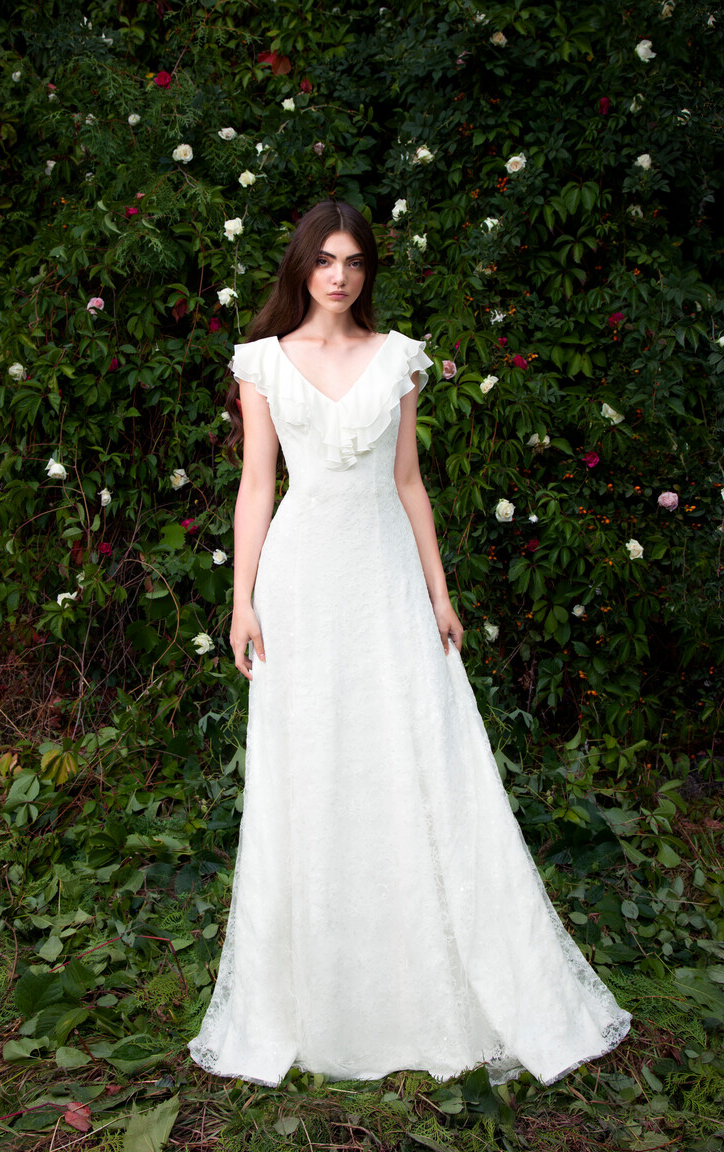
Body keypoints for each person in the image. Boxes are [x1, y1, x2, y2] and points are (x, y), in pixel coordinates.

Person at [188, 200, 630, 1088]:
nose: (340, 276)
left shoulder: (399, 360)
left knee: (413, 754)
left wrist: (439, 594)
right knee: (312, 764)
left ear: (367, 271)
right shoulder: (263, 364)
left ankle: (433, 979)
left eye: (353, 262)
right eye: (324, 261)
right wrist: (240, 603)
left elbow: (410, 482)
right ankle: (317, 993)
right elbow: (254, 488)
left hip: (385, 578)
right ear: (301, 269)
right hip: (302, 582)